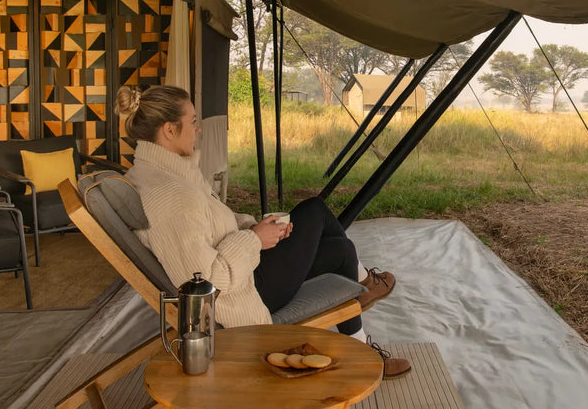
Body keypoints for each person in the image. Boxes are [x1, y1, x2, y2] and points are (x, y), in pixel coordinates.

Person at [116, 84, 410, 378]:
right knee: (314, 209)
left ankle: (362, 346)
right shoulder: (170, 195)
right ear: (169, 130)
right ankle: (365, 290)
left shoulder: (169, 175)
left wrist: (255, 228)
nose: (198, 130)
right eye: (193, 122)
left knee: (341, 251)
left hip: (245, 271)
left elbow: (217, 222)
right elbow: (206, 281)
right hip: (244, 294)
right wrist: (254, 239)